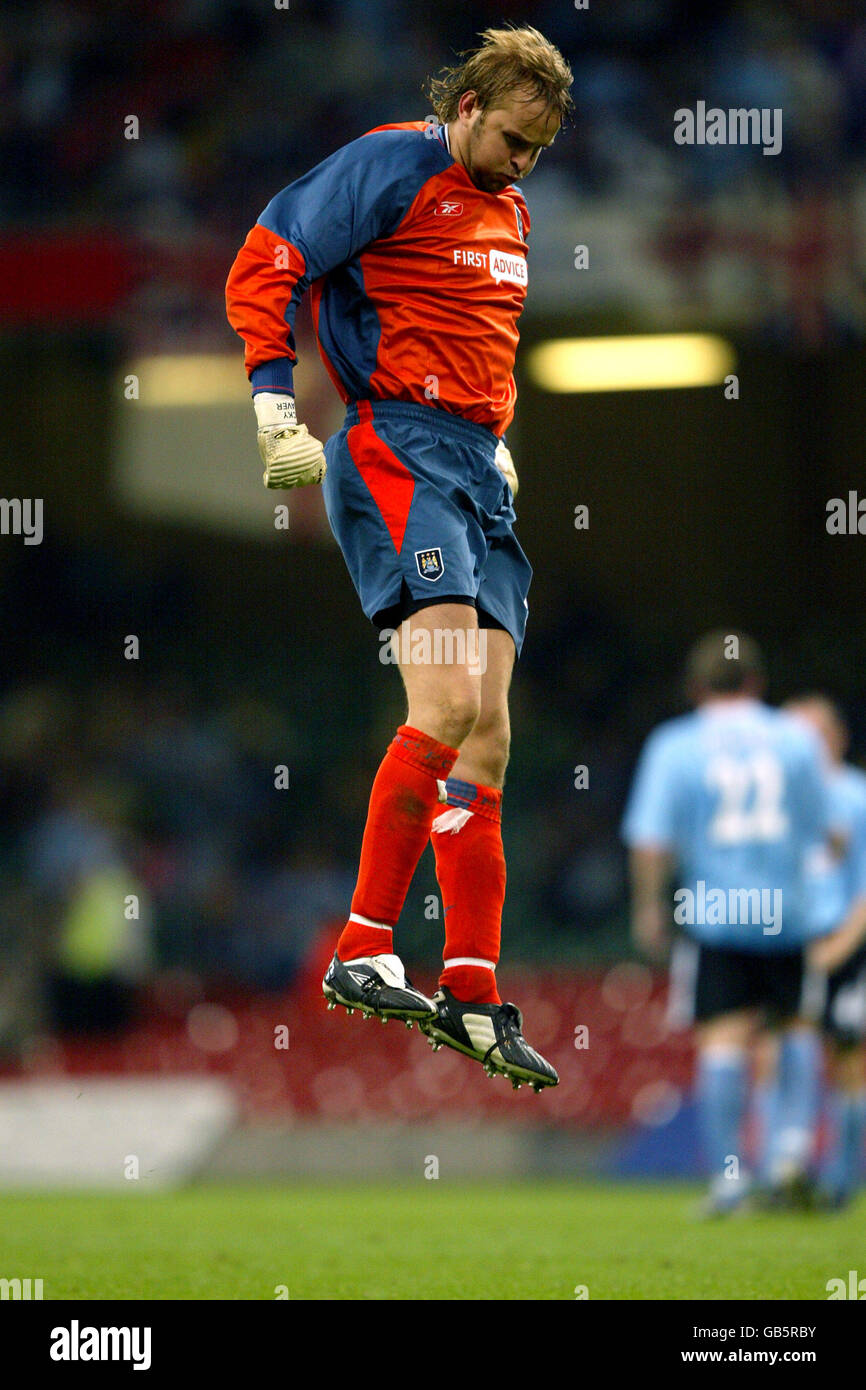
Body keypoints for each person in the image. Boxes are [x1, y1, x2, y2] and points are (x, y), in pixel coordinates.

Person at [225, 27, 573, 1091]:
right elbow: (267, 256)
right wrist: (272, 402)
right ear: (467, 105)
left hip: (474, 466)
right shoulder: (389, 164)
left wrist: (497, 435)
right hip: (394, 449)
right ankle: (363, 946)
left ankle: (468, 992)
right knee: (448, 704)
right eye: (514, 138)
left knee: (493, 735)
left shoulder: (506, 208)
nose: (524, 162)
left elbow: (466, 334)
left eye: (540, 149)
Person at [622, 632, 834, 1212]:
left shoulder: (674, 745)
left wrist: (649, 907)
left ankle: (729, 1179)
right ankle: (789, 1152)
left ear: (695, 689)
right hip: (787, 913)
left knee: (723, 1038)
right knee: (793, 1026)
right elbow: (827, 829)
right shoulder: (795, 738)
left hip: (716, 913)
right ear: (758, 683)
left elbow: (650, 840)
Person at [784, 696, 866, 1208]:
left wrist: (840, 945)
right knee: (779, 1052)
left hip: (846, 945)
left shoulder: (856, 797)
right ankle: (782, 1168)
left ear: (836, 738)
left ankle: (840, 1179)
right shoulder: (778, 798)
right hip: (788, 945)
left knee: (848, 1057)